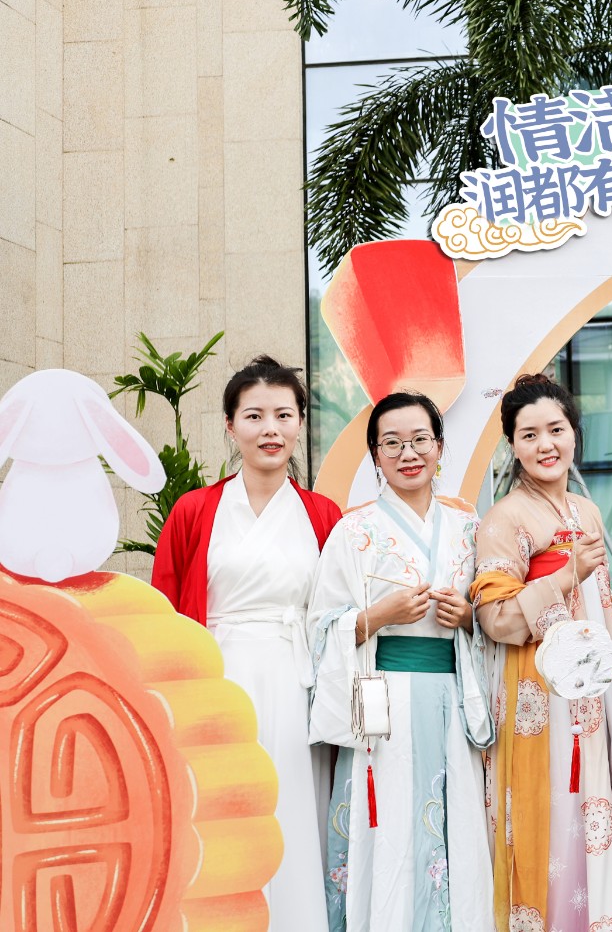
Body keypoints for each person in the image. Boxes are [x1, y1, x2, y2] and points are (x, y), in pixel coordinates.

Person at [152, 355, 341, 932]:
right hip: (217, 680)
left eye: (284, 414)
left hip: (296, 679)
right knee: (219, 808)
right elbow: (165, 610)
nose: (270, 429)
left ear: (301, 423)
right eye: (254, 415)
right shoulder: (194, 511)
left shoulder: (323, 516)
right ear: (231, 426)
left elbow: (339, 611)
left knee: (292, 805)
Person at [469, 374, 612, 932]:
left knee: (602, 802)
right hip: (541, 699)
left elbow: (602, 600)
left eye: (556, 429)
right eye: (529, 435)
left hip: (597, 697)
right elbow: (496, 620)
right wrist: (564, 576)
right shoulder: (505, 518)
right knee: (555, 811)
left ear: (574, 432)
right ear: (512, 444)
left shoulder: (585, 510)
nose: (545, 444)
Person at [307, 391, 494, 931]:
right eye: (391, 443)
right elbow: (318, 627)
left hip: (453, 696)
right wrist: (376, 616)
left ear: (440, 447)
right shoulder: (353, 531)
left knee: (455, 822)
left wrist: (468, 618)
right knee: (387, 825)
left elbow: (494, 614)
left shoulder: (469, 527)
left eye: (419, 440)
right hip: (383, 702)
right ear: (375, 455)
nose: (408, 453)